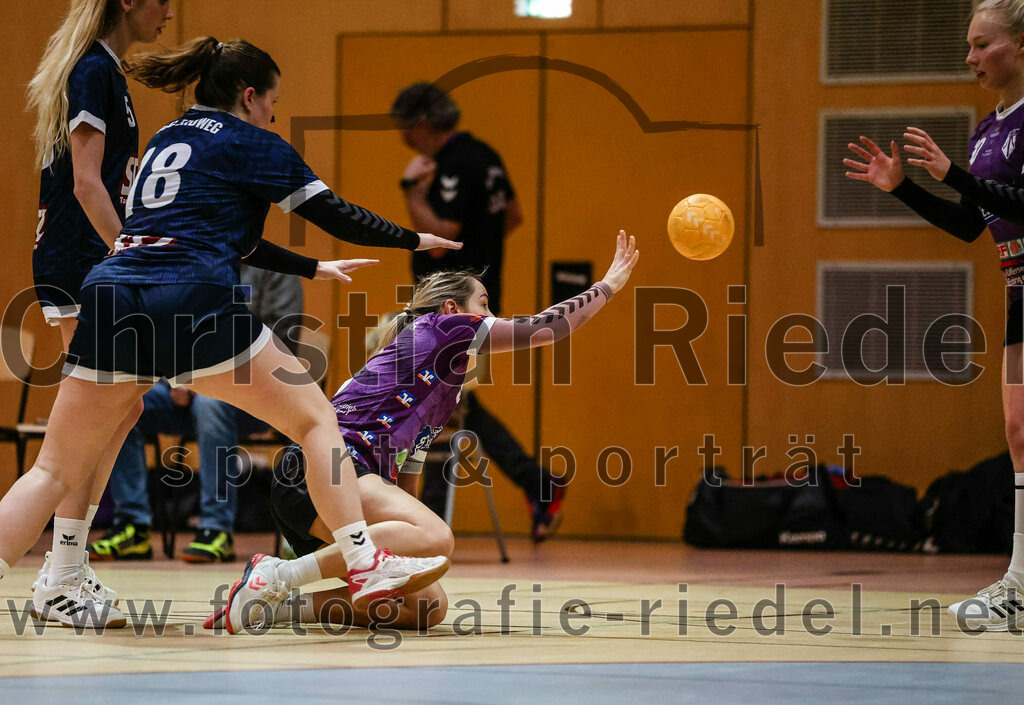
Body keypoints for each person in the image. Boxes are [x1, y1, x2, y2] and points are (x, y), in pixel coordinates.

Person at [1, 36, 463, 628]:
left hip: (111, 291)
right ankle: (362, 559)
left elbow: (229, 235)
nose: (274, 112)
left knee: (52, 470)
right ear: (249, 97)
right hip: (192, 295)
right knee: (315, 418)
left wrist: (310, 268)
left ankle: (60, 575)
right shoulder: (252, 142)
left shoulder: (167, 140)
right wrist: (412, 240)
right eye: (273, 100)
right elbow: (336, 214)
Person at [207, 231, 639, 634]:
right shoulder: (443, 329)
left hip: (329, 492)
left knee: (427, 606)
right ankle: (275, 575)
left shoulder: (441, 391)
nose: (490, 317)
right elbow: (550, 327)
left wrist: (408, 548)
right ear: (453, 309)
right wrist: (609, 285)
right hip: (322, 471)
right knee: (438, 537)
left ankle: (276, 606)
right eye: (484, 305)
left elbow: (407, 482)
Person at [844, 0, 1024, 632]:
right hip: (1017, 286)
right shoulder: (985, 131)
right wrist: (906, 189)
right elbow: (968, 224)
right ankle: (1020, 584)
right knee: (1018, 430)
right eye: (968, 46)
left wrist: (955, 175)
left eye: (982, 44)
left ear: (1022, 45)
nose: (970, 57)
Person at [25, 0, 175, 627]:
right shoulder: (92, 69)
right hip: (81, 262)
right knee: (91, 417)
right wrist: (129, 256)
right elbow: (88, 183)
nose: (170, 10)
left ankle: (66, 567)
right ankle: (60, 572)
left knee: (126, 402)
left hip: (89, 262)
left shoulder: (109, 70)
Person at [391, 81, 564, 542]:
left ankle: (423, 519)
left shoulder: (451, 166)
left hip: (449, 311)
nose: (405, 139)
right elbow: (513, 217)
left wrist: (410, 191)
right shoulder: (486, 156)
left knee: (440, 402)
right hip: (477, 300)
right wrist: (481, 262)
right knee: (452, 402)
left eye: (406, 130)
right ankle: (536, 484)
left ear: (423, 125)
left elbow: (441, 235)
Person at [88, 265, 305, 563]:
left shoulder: (275, 270)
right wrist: (176, 375)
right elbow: (162, 330)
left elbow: (281, 338)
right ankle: (132, 527)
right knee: (120, 401)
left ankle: (216, 529)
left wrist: (203, 375)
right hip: (183, 386)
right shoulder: (193, 259)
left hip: (253, 394)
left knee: (210, 403)